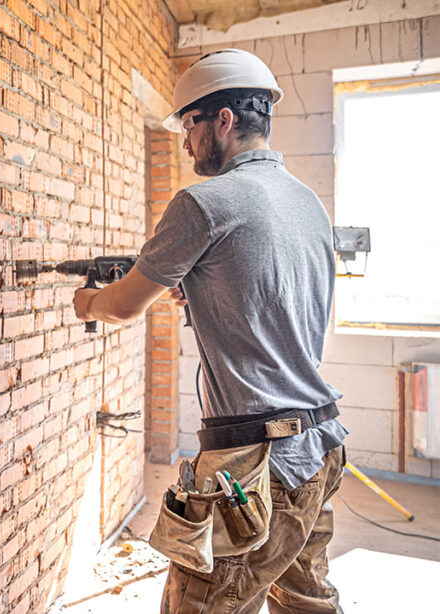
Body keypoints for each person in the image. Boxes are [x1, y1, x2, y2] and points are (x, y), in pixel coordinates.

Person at [73, 49, 347, 613]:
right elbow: (276, 304)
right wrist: (204, 293)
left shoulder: (203, 202)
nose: (184, 143)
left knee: (201, 604)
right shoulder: (306, 203)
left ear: (222, 119)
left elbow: (124, 307)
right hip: (319, 447)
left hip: (258, 466)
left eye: (189, 125)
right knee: (306, 602)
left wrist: (88, 301)